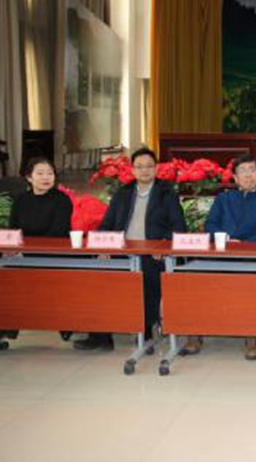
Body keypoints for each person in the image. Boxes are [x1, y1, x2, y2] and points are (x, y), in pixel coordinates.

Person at [73, 148, 186, 351]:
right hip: (122, 252)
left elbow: (179, 227)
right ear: (132, 170)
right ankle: (101, 335)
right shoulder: (123, 193)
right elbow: (106, 225)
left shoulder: (167, 193)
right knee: (97, 275)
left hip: (153, 253)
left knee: (148, 275)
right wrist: (103, 247)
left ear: (156, 169)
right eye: (139, 166)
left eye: (149, 166)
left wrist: (163, 246)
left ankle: (145, 330)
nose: (144, 170)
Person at [182, 154, 256, 360]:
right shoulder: (223, 199)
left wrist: (242, 243)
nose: (248, 175)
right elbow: (210, 225)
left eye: (252, 170)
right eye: (243, 171)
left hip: (251, 256)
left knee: (250, 283)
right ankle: (194, 332)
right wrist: (225, 240)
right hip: (220, 253)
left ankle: (251, 337)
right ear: (235, 177)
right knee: (194, 277)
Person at [1, 157, 74, 346]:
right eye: (40, 173)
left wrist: (29, 250)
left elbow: (58, 232)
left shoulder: (62, 200)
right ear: (29, 177)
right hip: (24, 255)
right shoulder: (21, 199)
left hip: (55, 255)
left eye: (50, 173)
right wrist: (12, 248)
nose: (46, 177)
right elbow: (13, 229)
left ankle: (65, 322)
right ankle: (7, 325)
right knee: (8, 279)